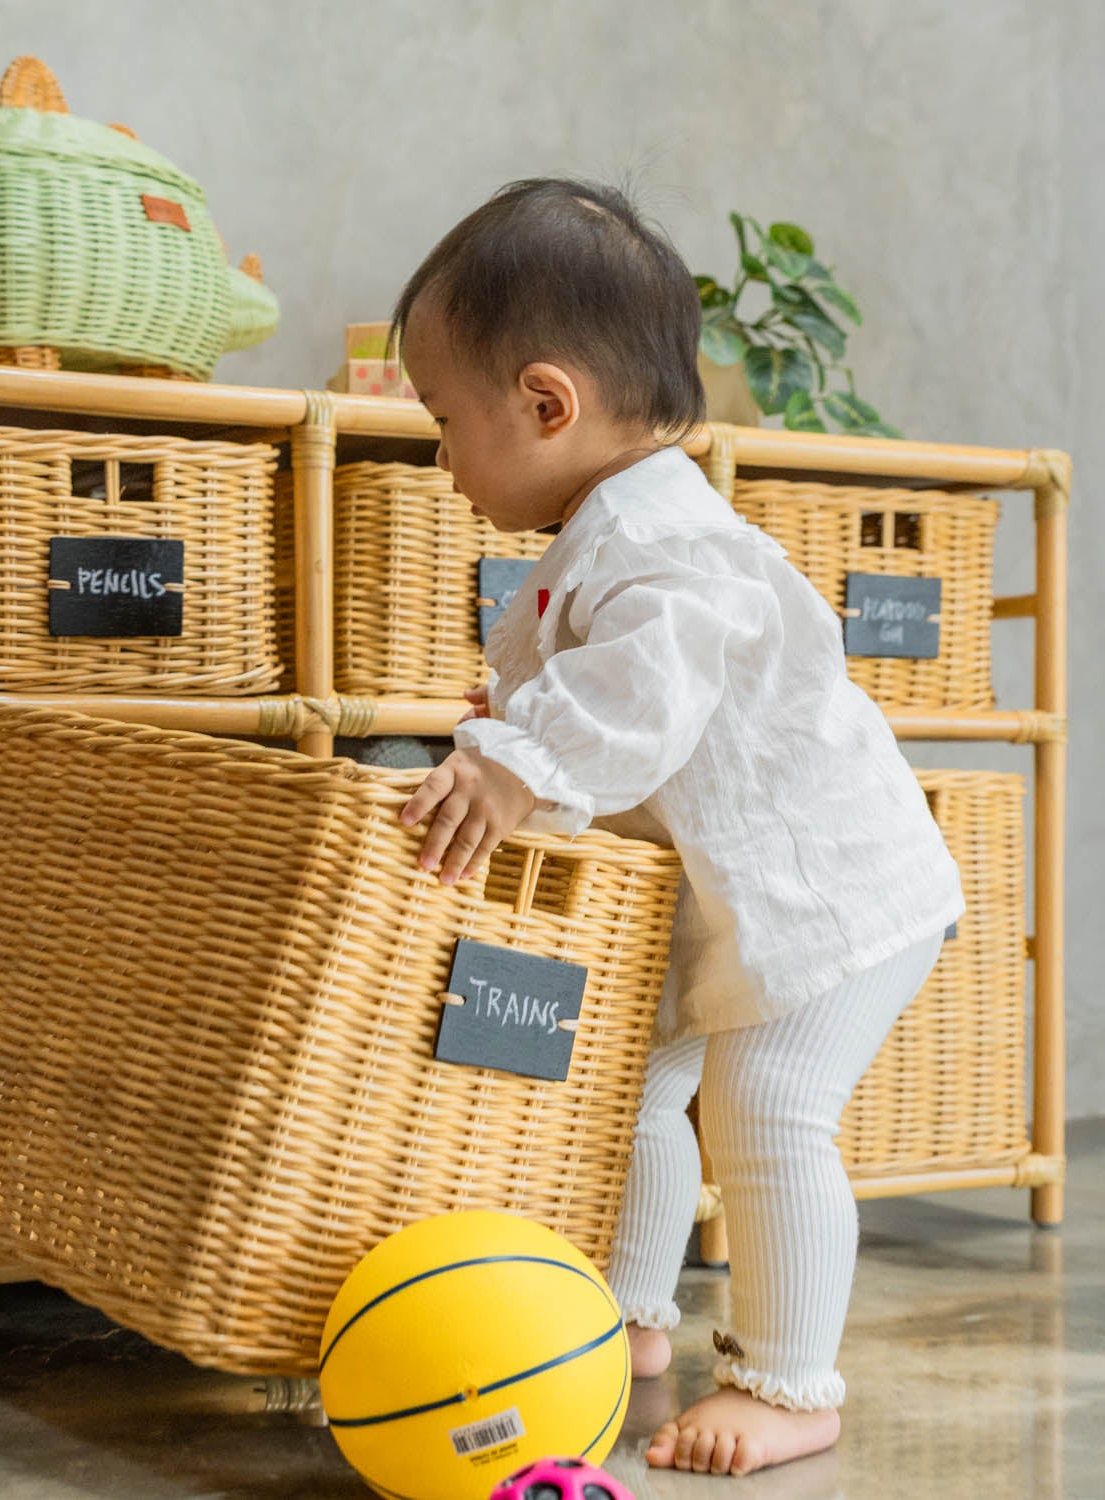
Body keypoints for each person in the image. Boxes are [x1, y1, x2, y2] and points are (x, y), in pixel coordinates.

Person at [394, 178, 963, 1477]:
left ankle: (787, 1379)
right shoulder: (599, 533)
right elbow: (592, 688)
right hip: (724, 895)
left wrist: (519, 760)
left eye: (444, 424)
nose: (440, 460)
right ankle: (629, 1312)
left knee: (767, 1111)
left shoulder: (663, 536)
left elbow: (646, 691)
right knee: (633, 1091)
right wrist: (512, 714)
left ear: (547, 405)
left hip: (832, 899)